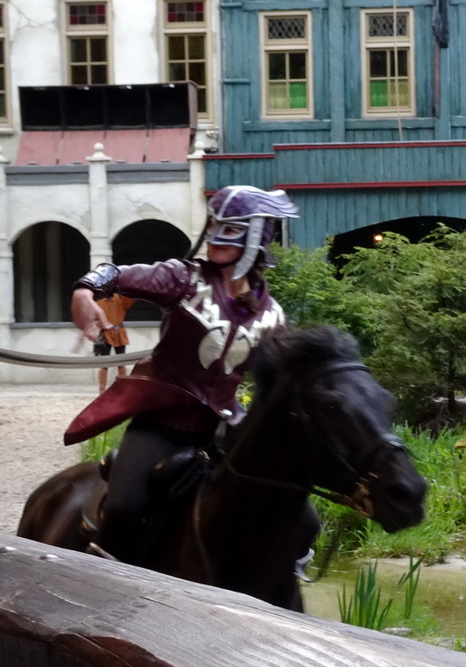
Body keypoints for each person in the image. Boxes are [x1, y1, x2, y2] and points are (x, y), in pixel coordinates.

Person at [66, 185, 299, 563]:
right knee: (124, 508)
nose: (217, 235)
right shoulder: (183, 278)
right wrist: (84, 292)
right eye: (216, 223)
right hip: (160, 425)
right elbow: (117, 273)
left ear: (259, 234)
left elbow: (282, 378)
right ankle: (104, 579)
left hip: (225, 430)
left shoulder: (272, 314)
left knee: (290, 509)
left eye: (232, 227)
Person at [94, 294, 135, 393]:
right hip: (105, 334)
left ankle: (123, 388)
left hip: (119, 333)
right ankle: (102, 390)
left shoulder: (121, 299)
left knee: (121, 362)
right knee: (104, 363)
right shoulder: (99, 302)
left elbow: (132, 297)